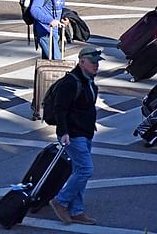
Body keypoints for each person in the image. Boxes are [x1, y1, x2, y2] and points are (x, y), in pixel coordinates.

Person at [48, 46, 104, 226]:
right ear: (82, 62)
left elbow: (85, 107)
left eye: (97, 62)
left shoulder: (88, 81)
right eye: (93, 62)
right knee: (85, 170)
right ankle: (60, 201)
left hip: (85, 132)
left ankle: (77, 211)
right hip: (73, 134)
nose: (96, 66)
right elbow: (60, 109)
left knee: (79, 171)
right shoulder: (70, 83)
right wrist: (63, 132)